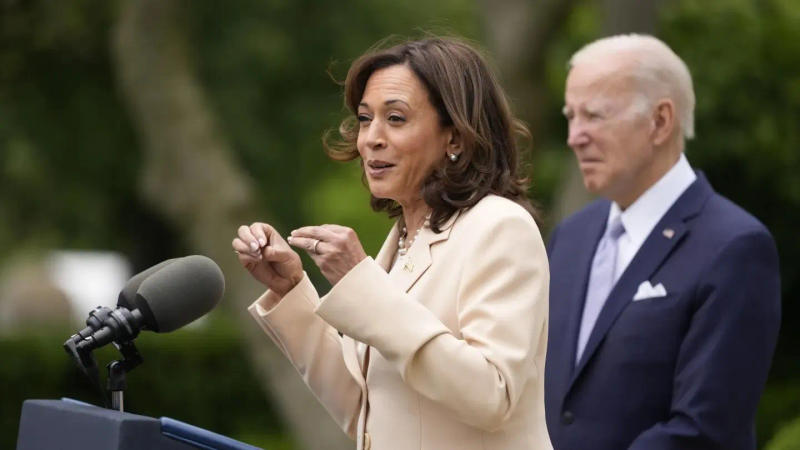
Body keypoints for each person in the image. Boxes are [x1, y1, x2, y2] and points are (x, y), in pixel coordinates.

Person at [232, 37, 552, 450]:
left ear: (455, 137)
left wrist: (362, 284)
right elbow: (363, 410)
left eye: (396, 119)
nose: (371, 139)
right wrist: (291, 289)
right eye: (366, 119)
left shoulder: (501, 226)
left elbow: (491, 395)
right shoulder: (402, 238)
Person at [545, 34, 781, 449]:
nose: (574, 136)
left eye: (595, 116)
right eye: (571, 116)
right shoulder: (571, 236)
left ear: (660, 121)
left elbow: (704, 431)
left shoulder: (735, 247)